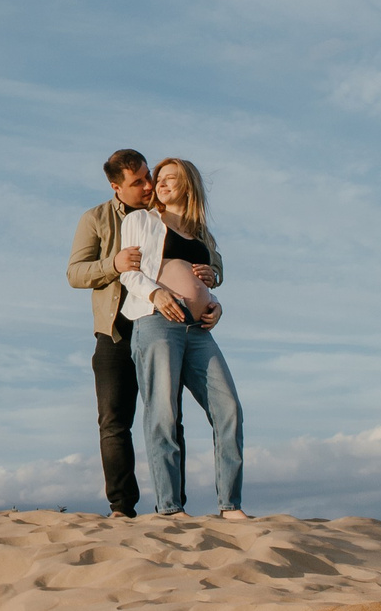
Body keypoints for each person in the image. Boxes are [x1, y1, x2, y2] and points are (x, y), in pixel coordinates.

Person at [118, 157, 246, 520]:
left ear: (188, 186)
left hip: (198, 330)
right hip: (157, 322)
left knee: (229, 409)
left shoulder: (202, 234)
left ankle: (230, 505)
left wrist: (215, 304)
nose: (162, 184)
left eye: (171, 179)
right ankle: (170, 508)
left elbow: (203, 283)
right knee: (163, 413)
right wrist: (157, 294)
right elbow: (130, 274)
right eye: (159, 179)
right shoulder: (140, 220)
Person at [66, 150, 161, 516]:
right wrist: (114, 265)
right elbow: (75, 273)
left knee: (167, 418)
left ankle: (173, 506)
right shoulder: (96, 218)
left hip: (160, 328)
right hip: (114, 334)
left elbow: (207, 251)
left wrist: (210, 272)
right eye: (137, 181)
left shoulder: (165, 212)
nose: (148, 185)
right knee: (113, 422)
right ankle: (122, 508)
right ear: (116, 186)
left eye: (147, 176)